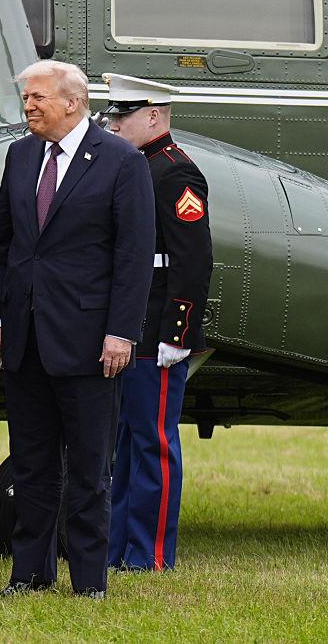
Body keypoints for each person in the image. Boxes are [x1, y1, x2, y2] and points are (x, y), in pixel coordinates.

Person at [0, 60, 154, 598]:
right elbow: (4, 245)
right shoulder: (21, 155)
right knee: (32, 464)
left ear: (73, 102)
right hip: (25, 339)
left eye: (38, 97)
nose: (29, 106)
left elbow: (133, 256)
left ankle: (88, 581)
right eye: (27, 97)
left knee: (88, 468)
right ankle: (29, 573)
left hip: (89, 343)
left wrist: (121, 332)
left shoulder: (122, 162)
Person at [103, 74, 213, 572]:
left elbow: (192, 259)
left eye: (123, 115)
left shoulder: (176, 172)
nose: (114, 124)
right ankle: (119, 547)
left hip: (158, 329)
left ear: (153, 116)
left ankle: (151, 553)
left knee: (154, 442)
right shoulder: (135, 166)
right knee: (127, 441)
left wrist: (178, 332)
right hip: (131, 322)